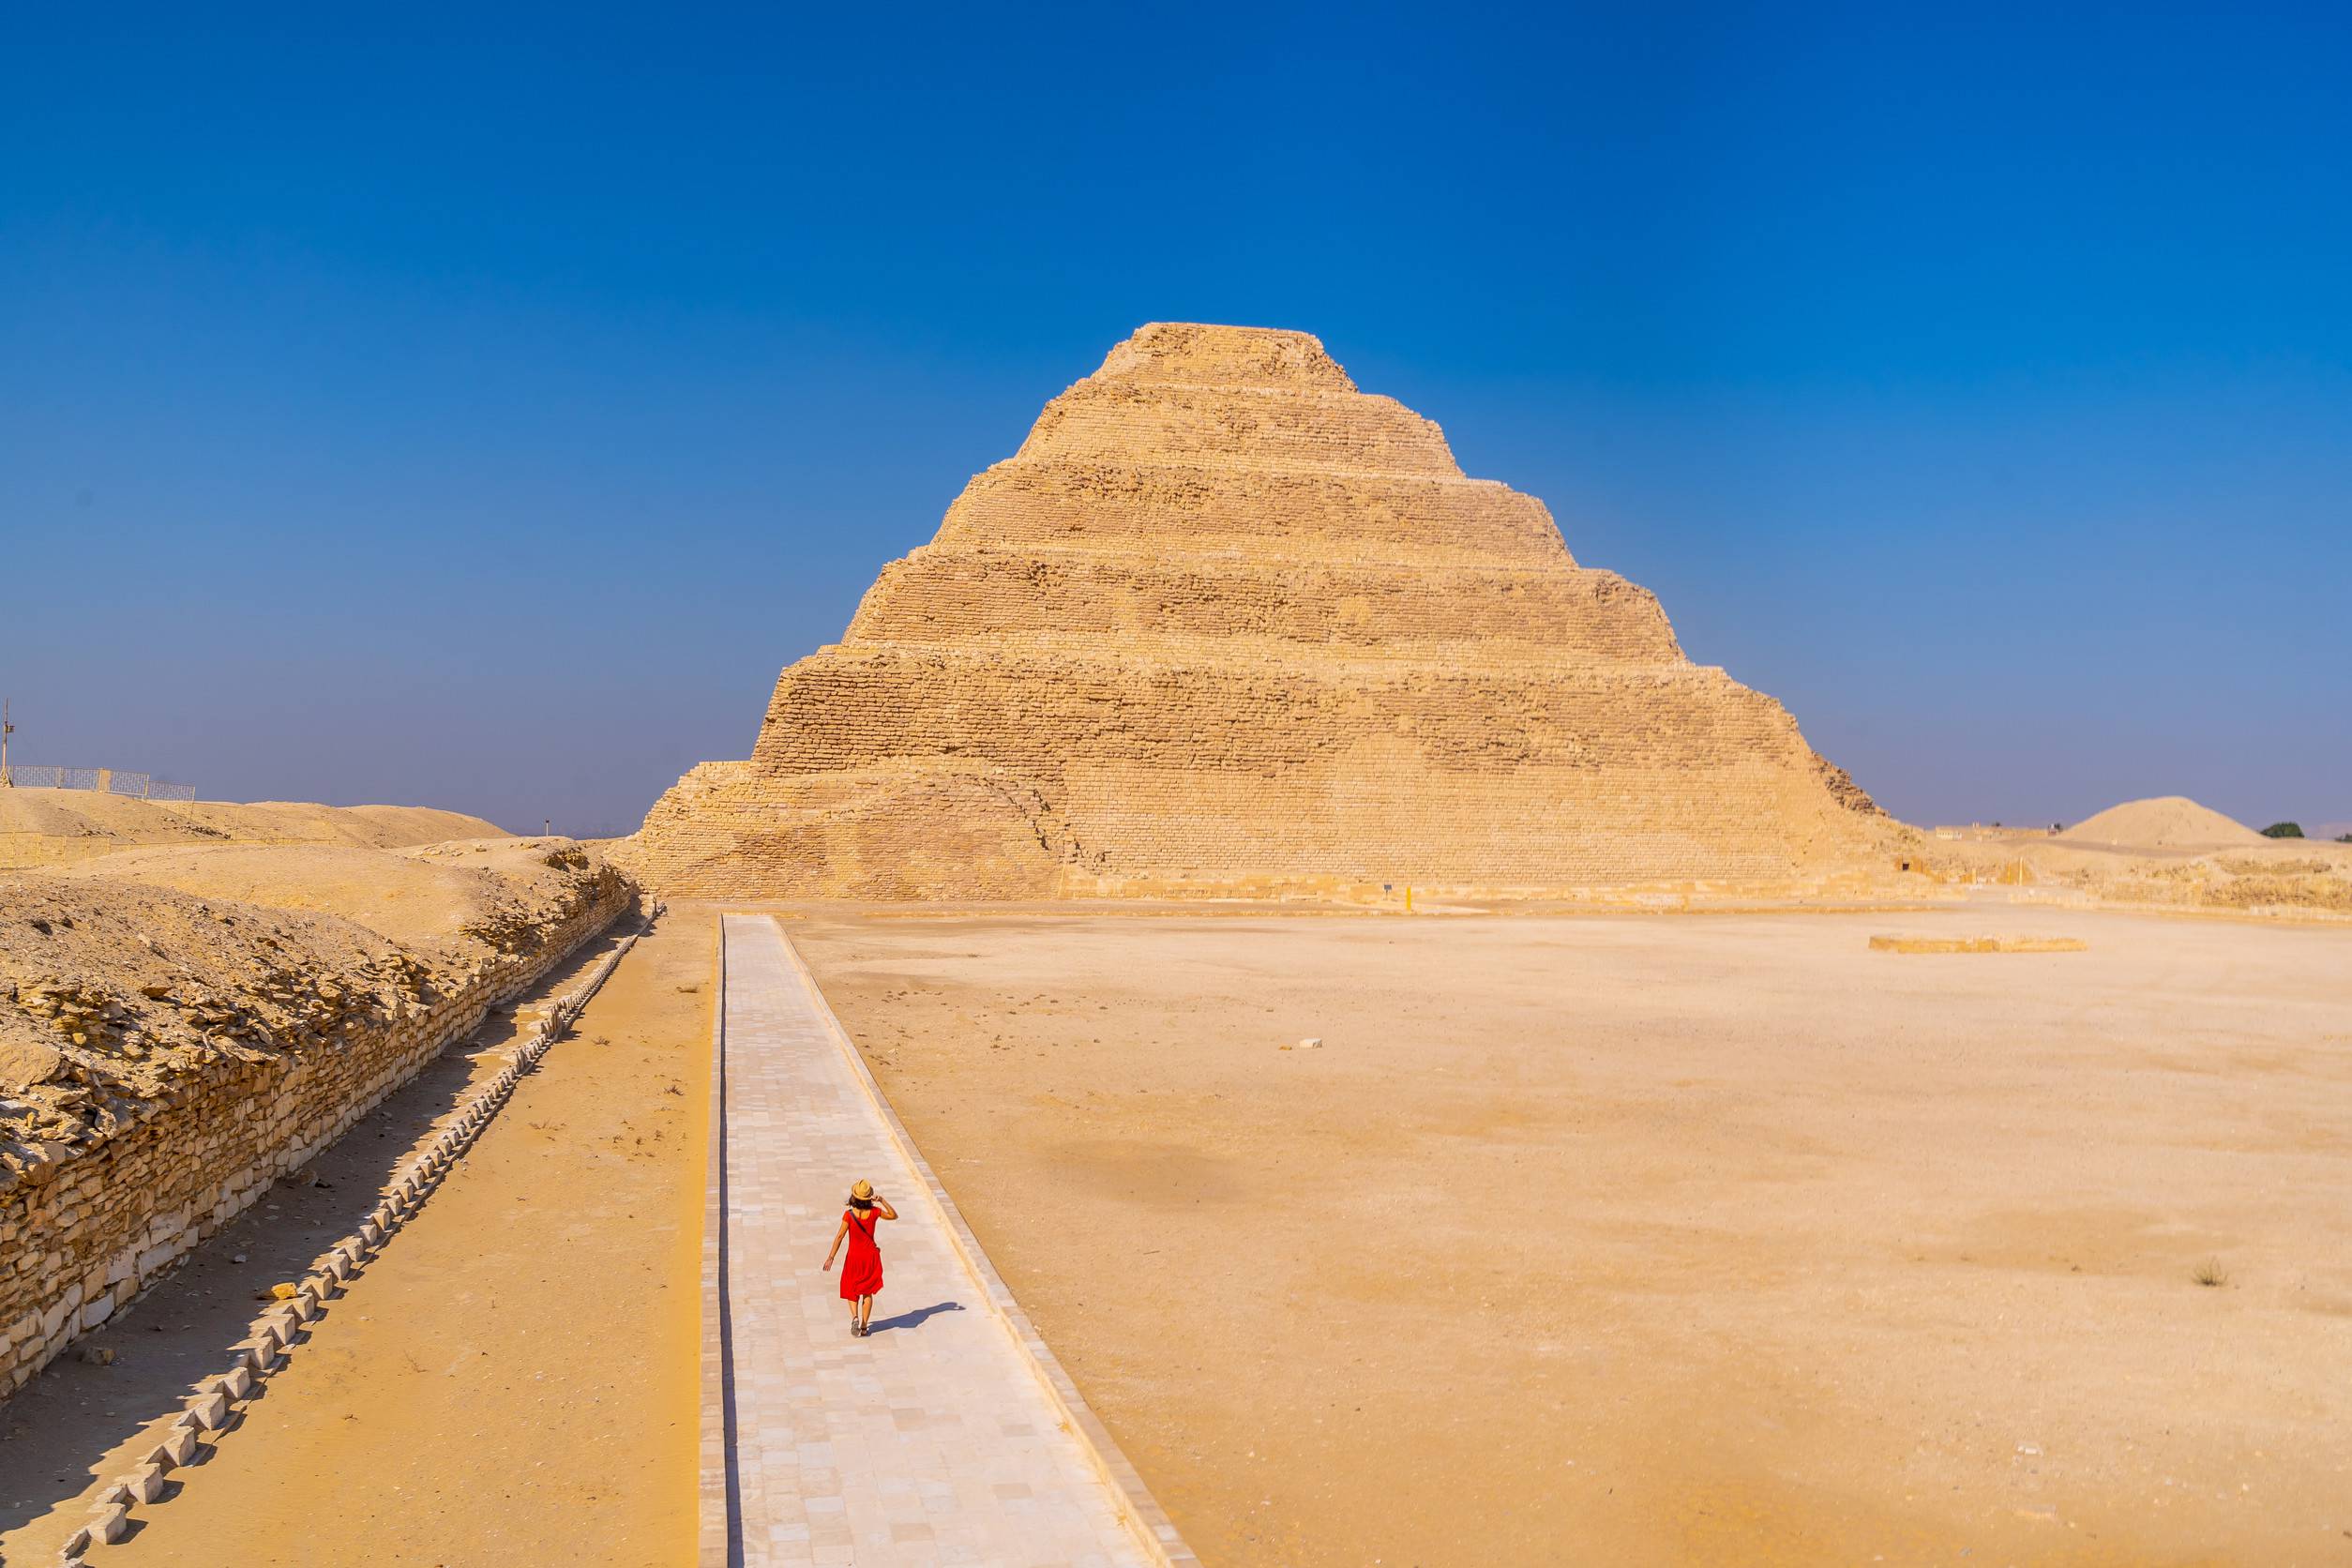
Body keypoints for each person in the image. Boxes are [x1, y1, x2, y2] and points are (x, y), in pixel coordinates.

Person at [822, 1179, 897, 1336]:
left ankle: (855, 1318)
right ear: (869, 1197)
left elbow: (840, 1236)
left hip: (854, 1257)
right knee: (867, 1292)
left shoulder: (849, 1215)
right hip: (870, 1257)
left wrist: (831, 1257)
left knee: (851, 1289)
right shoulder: (875, 1212)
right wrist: (882, 1200)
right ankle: (864, 1326)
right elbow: (893, 1216)